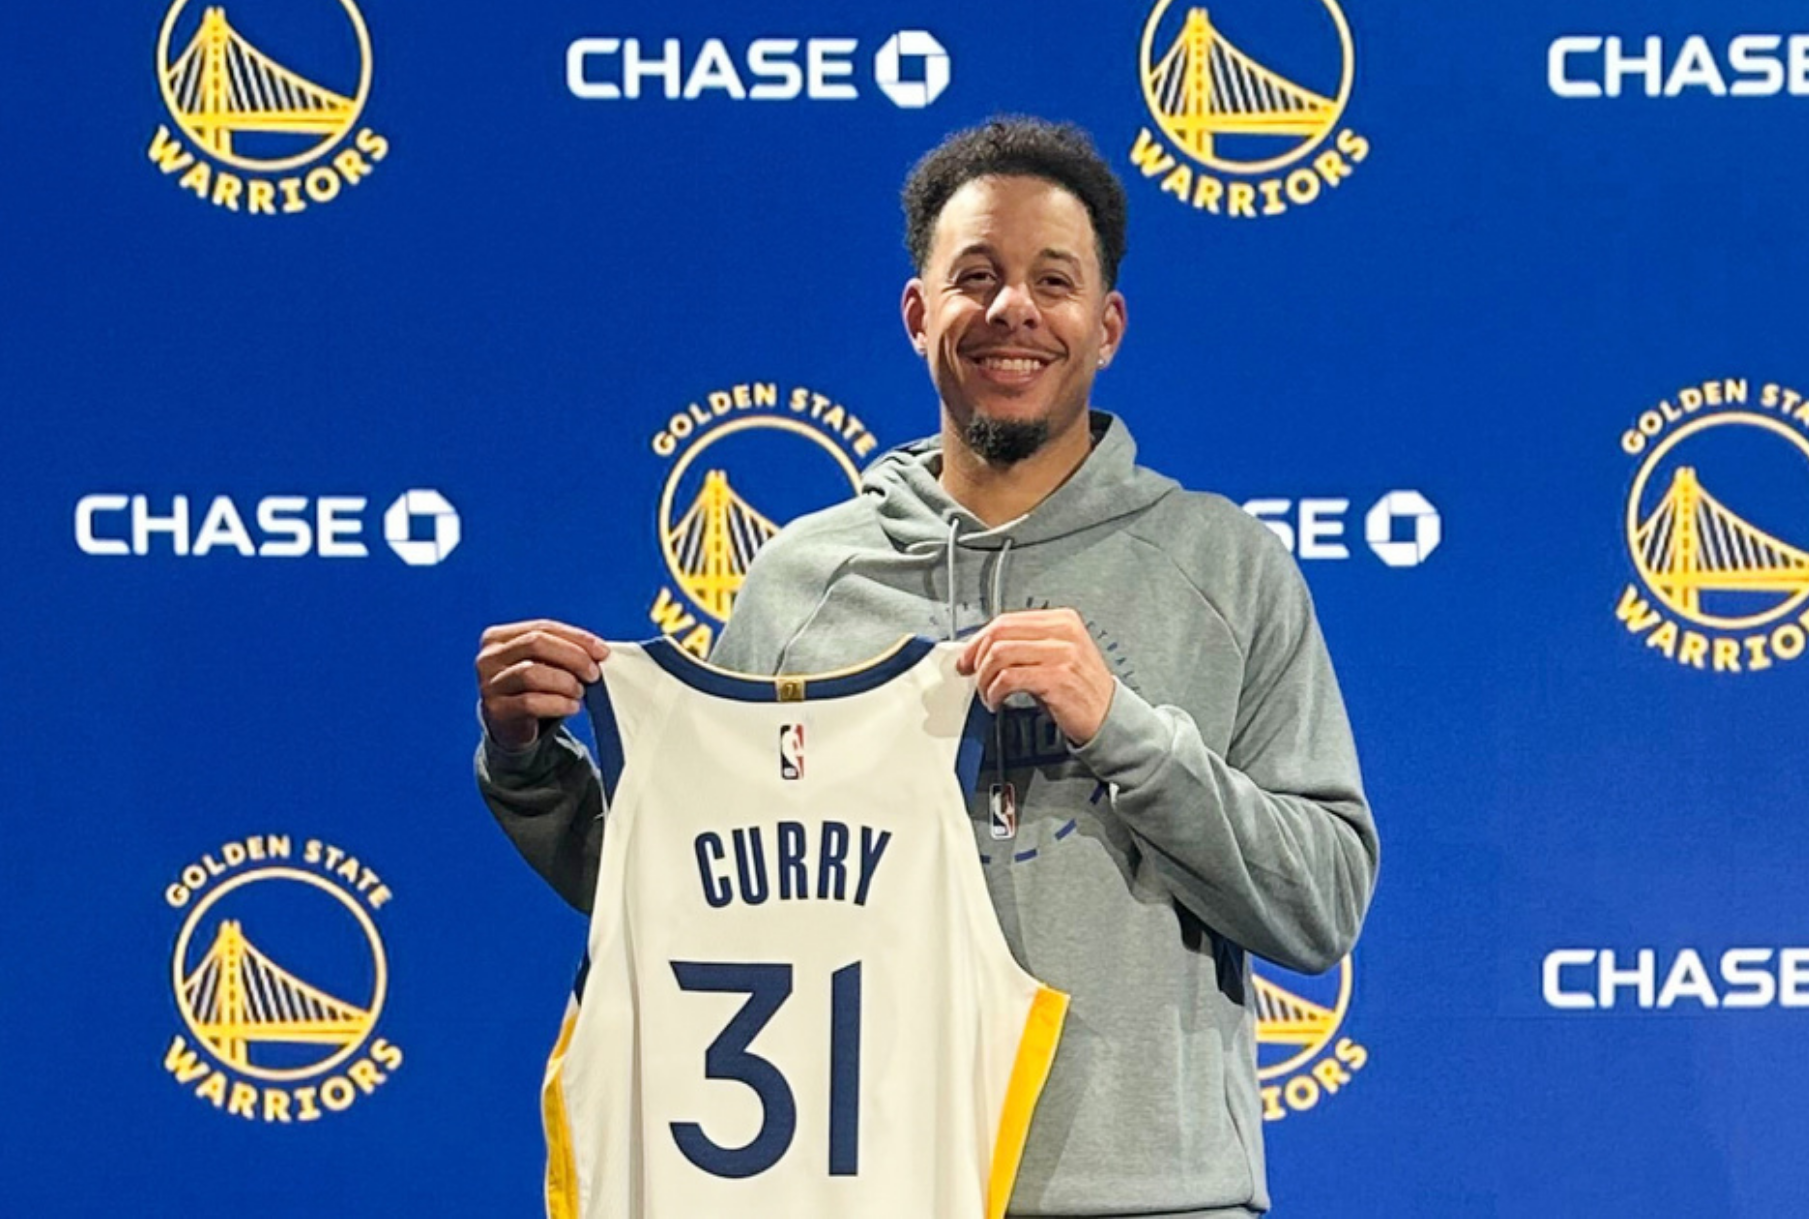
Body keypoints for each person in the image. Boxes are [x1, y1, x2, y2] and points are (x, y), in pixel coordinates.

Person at [477, 116, 1378, 1218]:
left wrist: (1126, 732)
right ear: (919, 315)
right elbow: (694, 902)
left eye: (1055, 280)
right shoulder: (804, 578)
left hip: (1151, 1197)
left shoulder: (1226, 565)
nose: (1014, 311)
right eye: (977, 277)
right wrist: (531, 768)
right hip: (858, 1190)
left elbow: (1320, 905)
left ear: (1108, 325)